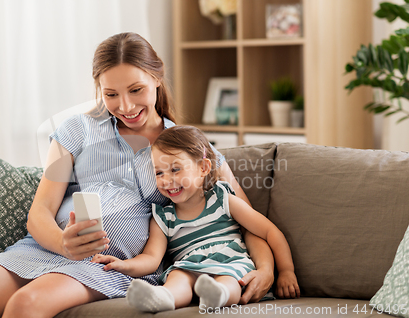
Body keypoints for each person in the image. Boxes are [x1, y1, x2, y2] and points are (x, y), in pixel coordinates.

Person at [0, 32, 274, 318]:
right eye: (111, 94)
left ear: (157, 79)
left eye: (136, 90)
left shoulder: (189, 147)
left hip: (114, 265)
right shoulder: (76, 131)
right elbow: (40, 212)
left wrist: (266, 269)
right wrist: (63, 244)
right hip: (42, 247)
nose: (126, 105)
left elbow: (242, 216)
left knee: (27, 304)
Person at [91, 125, 300, 313]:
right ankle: (164, 298)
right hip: (190, 265)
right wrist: (123, 265)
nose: (166, 180)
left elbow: (269, 231)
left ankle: (219, 295)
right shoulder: (163, 218)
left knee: (229, 279)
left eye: (175, 169)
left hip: (230, 261)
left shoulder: (223, 199)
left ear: (203, 168)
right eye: (159, 173)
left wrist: (286, 271)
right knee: (178, 276)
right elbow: (151, 259)